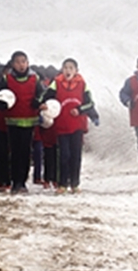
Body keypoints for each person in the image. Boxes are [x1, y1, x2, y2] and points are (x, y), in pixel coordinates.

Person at [0, 51, 44, 194]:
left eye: (24, 61)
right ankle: (14, 183)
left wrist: (39, 102)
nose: (21, 65)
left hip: (30, 122)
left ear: (28, 63)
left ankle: (22, 183)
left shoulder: (34, 79)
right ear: (12, 64)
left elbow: (44, 93)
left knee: (25, 153)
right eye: (18, 62)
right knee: (14, 153)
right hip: (12, 122)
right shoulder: (7, 79)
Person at [40, 58, 99, 194]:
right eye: (66, 67)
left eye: (71, 68)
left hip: (78, 125)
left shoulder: (82, 84)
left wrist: (79, 110)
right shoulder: (57, 83)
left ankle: (75, 184)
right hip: (61, 125)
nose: (68, 70)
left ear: (76, 71)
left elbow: (90, 103)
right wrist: (43, 105)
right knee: (63, 155)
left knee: (76, 155)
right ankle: (62, 184)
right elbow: (45, 97)